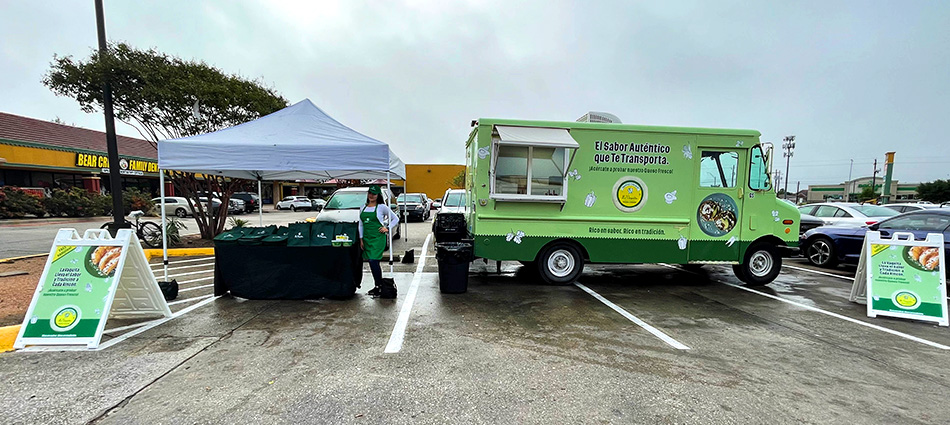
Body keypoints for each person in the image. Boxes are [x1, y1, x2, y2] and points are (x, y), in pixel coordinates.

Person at [359, 185, 399, 296]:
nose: (371, 196)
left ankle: (379, 285)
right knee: (372, 263)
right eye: (370, 193)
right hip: (367, 238)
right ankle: (378, 286)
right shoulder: (363, 207)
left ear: (378, 195)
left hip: (377, 238)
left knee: (373, 260)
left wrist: (387, 228)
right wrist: (361, 238)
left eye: (374, 194)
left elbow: (395, 218)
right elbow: (361, 224)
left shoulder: (382, 207)